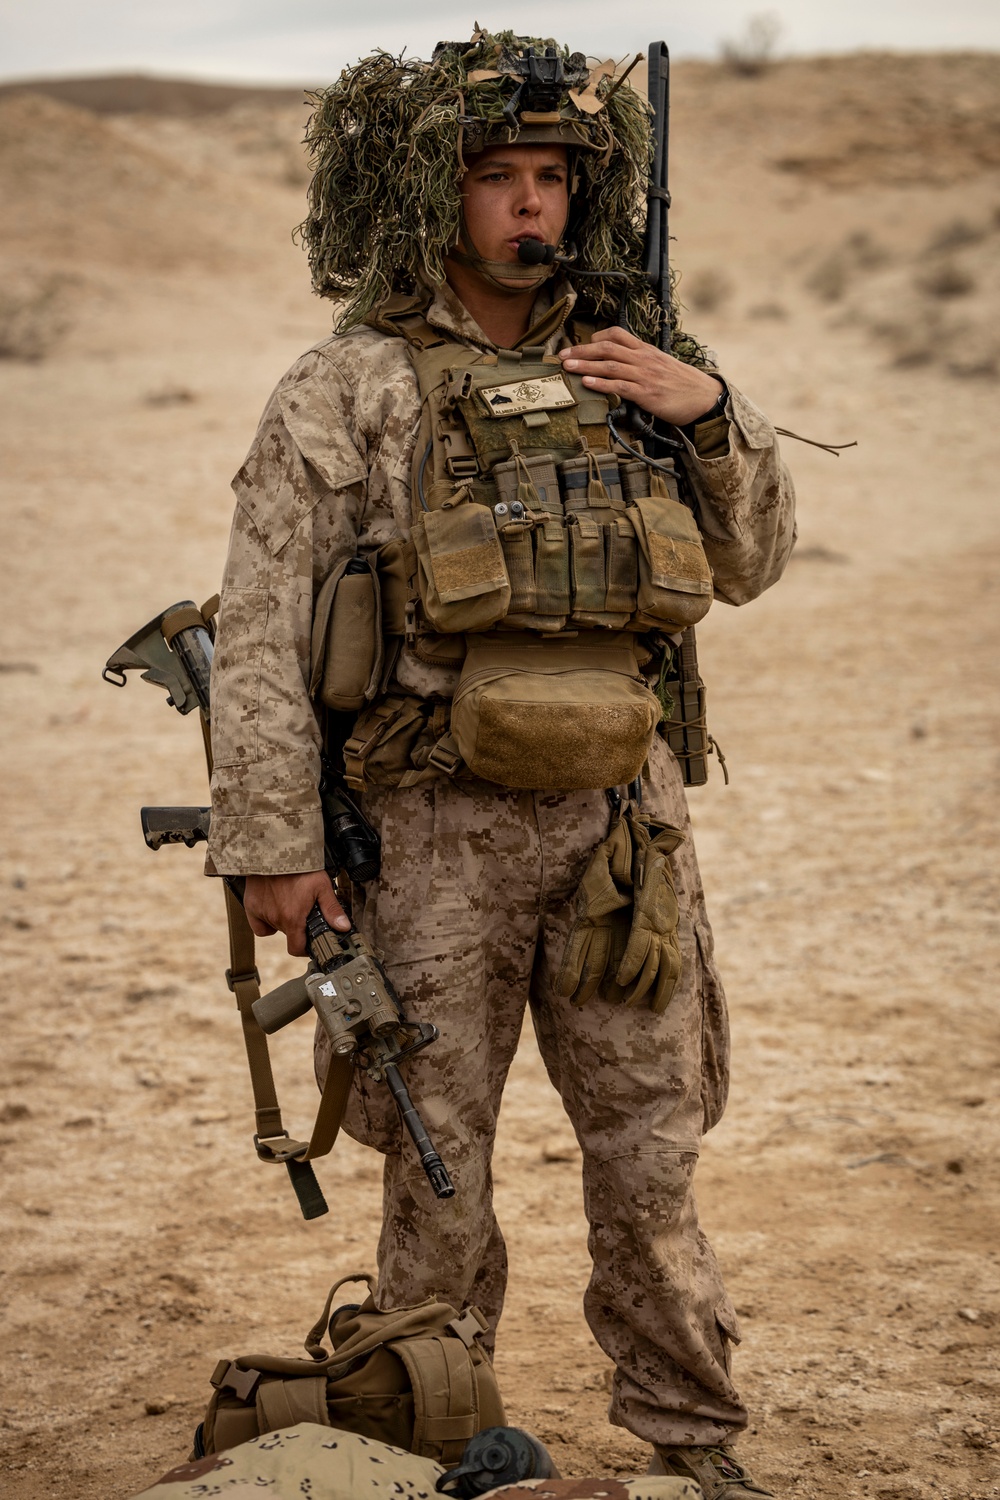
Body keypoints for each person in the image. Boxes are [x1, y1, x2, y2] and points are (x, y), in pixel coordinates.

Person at [207, 31, 795, 1500]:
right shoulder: (352, 384)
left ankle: (690, 1439)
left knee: (650, 1158)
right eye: (497, 179)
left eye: (552, 178)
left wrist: (705, 417)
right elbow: (265, 625)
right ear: (433, 194)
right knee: (437, 1166)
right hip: (427, 836)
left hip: (618, 834)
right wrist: (277, 845)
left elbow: (754, 560)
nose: (530, 207)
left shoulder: (645, 365)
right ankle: (437, 1431)